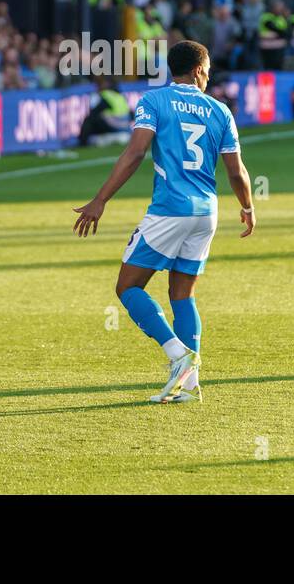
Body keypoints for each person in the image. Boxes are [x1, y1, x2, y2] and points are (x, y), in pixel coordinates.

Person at [72, 41, 255, 404]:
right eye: (208, 69)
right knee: (182, 294)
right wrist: (248, 207)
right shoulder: (220, 111)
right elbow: (236, 172)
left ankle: (177, 355)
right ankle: (189, 385)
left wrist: (100, 199)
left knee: (127, 287)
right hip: (206, 213)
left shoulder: (154, 102)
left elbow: (136, 152)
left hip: (170, 208)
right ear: (199, 70)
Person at [78, 76, 131, 146]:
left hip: (115, 125)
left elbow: (93, 113)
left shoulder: (105, 95)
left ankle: (83, 143)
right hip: (125, 125)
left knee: (89, 120)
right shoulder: (120, 95)